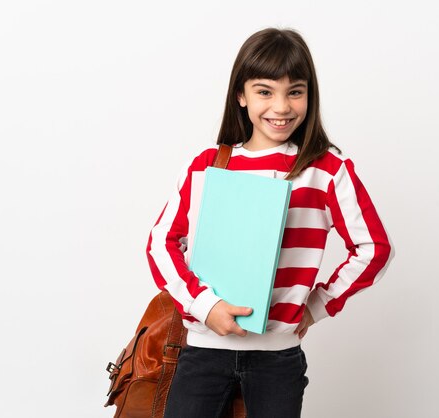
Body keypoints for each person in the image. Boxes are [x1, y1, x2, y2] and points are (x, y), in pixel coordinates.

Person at [146, 27, 394, 418]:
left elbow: (374, 248)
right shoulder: (206, 165)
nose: (281, 106)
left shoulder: (326, 171)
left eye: (295, 91)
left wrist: (318, 305)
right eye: (265, 91)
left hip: (277, 360)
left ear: (309, 96)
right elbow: (161, 243)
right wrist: (204, 305)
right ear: (241, 96)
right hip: (202, 352)